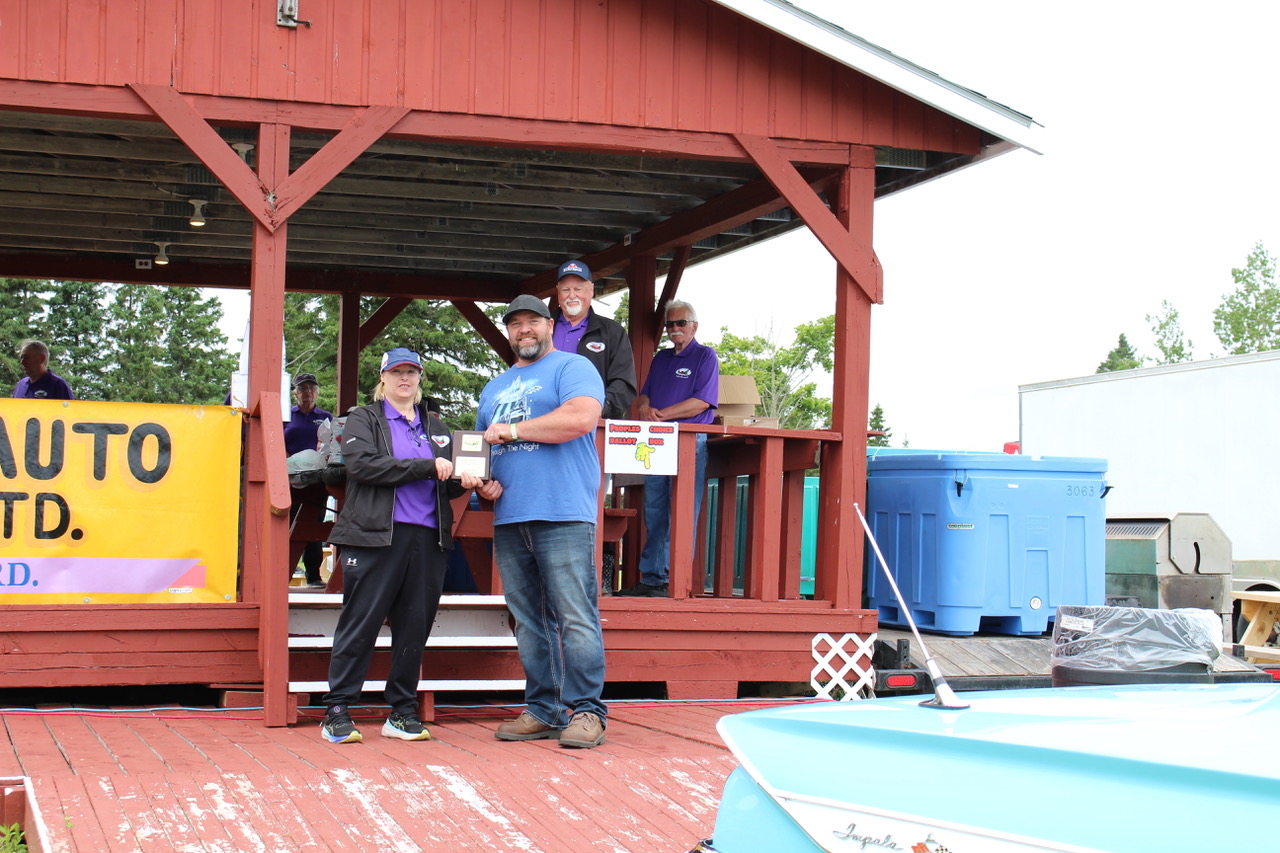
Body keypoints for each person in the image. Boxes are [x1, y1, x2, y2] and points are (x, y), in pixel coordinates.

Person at [320, 348, 482, 745]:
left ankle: (402, 711)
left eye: (411, 371)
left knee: (414, 628)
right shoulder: (364, 418)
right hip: (375, 536)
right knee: (361, 623)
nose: (404, 378)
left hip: (428, 538)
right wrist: (427, 467)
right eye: (396, 372)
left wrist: (469, 481)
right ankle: (337, 711)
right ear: (383, 378)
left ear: (420, 377)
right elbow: (362, 466)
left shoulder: (436, 425)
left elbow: (446, 482)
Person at [475, 294, 609, 749]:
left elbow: (581, 418)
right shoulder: (493, 387)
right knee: (529, 620)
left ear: (550, 325)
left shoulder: (572, 367)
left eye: (532, 321)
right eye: (515, 324)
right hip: (510, 516)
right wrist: (483, 483)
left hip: (563, 510)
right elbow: (482, 448)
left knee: (575, 616)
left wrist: (513, 430)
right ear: (508, 332)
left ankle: (588, 711)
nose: (524, 330)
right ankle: (543, 709)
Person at [618, 300, 719, 597]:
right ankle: (652, 579)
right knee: (654, 509)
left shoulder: (705, 356)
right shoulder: (661, 358)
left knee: (683, 510)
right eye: (670, 324)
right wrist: (646, 408)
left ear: (694, 326)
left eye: (681, 323)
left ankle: (675, 580)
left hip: (688, 442)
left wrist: (661, 414)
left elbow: (702, 402)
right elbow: (644, 395)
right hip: (656, 440)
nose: (675, 328)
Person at [549, 260, 637, 419]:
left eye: (578, 289)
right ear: (558, 292)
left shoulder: (613, 332)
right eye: (565, 289)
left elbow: (624, 383)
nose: (572, 295)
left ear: (591, 290)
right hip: (545, 419)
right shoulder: (542, 328)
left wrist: (601, 408)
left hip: (592, 423)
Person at [284, 372, 334, 588]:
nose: (308, 392)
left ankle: (313, 575)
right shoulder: (286, 414)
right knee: (286, 523)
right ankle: (282, 571)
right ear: (295, 393)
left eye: (312, 388)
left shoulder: (325, 416)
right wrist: (287, 462)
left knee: (314, 522)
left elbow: (332, 442)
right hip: (288, 477)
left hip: (316, 478)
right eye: (303, 388)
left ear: (317, 392)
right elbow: (276, 440)